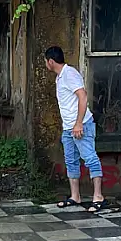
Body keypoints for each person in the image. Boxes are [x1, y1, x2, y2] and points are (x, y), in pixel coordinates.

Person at [44, 46, 106, 212]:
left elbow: (83, 96)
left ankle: (98, 196)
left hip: (81, 125)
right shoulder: (60, 77)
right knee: (71, 161)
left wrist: (79, 123)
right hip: (68, 128)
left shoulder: (70, 74)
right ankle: (75, 196)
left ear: (50, 61)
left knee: (90, 158)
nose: (45, 65)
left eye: (45, 62)